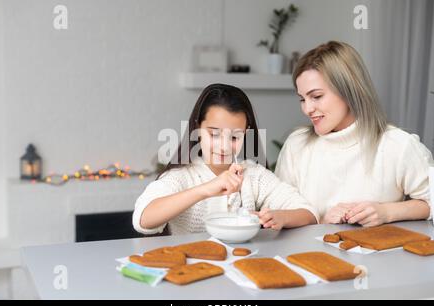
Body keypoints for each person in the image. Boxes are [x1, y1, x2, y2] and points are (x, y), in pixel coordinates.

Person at [275, 40, 432, 227]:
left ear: (348, 90)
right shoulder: (297, 145)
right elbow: (280, 212)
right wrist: (323, 222)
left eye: (316, 96)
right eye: (302, 99)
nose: (307, 109)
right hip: (306, 255)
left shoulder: (397, 145)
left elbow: (433, 201)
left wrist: (386, 212)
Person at [133, 83, 318, 235]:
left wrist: (281, 217)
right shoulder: (182, 176)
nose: (224, 146)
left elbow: (309, 213)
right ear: (197, 129)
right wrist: (206, 189)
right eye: (214, 134)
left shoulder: (253, 175)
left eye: (235, 137)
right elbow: (142, 219)